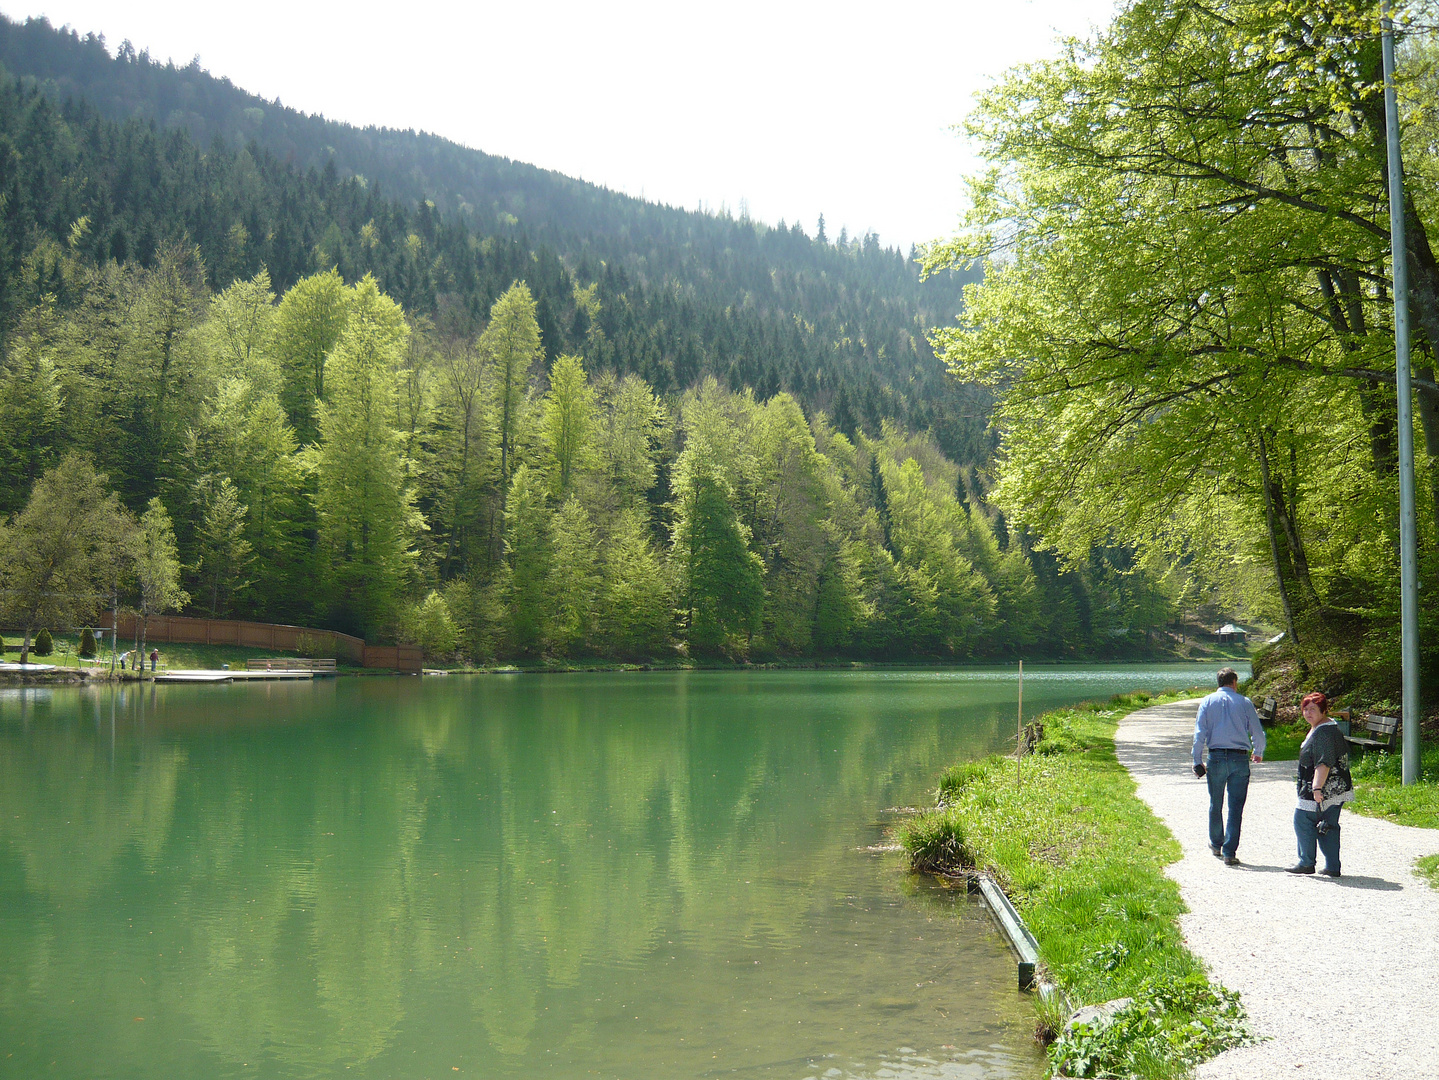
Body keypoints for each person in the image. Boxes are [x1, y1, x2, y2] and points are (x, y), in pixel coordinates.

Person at [1192, 667, 1266, 866]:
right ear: (1234, 682)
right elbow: (1257, 731)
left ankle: (1216, 843)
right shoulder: (1244, 702)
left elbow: (1200, 733)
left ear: (1219, 682)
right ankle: (1229, 851)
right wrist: (1258, 751)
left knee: (1215, 803)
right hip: (1239, 759)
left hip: (1216, 757)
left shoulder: (1207, 702)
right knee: (1236, 807)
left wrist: (1196, 760)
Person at [1288, 691, 1353, 877]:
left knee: (1303, 819)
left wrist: (1316, 788)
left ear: (1323, 711)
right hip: (1337, 787)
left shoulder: (1323, 732)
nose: (1308, 713)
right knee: (1328, 825)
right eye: (1305, 709)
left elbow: (1323, 763)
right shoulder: (1326, 726)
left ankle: (1306, 862)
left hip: (1323, 787)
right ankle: (1332, 866)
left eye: (1313, 709)